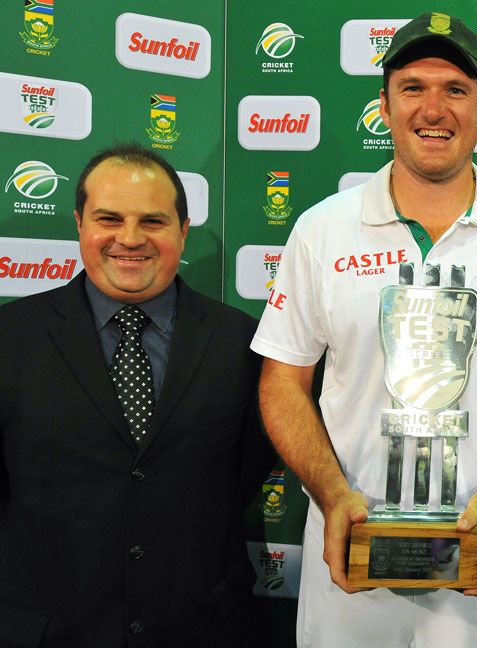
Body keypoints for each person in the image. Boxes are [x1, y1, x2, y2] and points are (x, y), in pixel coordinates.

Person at [252, 12, 477, 648]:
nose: (435, 108)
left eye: (456, 90)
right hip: (350, 558)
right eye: (413, 87)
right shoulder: (321, 230)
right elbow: (282, 380)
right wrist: (331, 493)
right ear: (384, 104)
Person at [0, 143, 274, 647]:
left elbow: (245, 473)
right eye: (109, 218)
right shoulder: (10, 337)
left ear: (182, 231)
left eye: (152, 221)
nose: (129, 239)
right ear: (79, 223)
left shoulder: (244, 343)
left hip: (202, 628)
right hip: (46, 630)